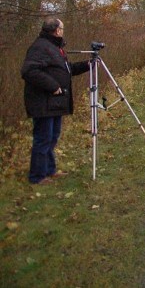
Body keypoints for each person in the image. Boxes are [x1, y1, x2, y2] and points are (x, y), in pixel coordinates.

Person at [21, 18, 91, 185]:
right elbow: (29, 71)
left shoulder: (55, 48)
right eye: (62, 28)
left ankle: (49, 170)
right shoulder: (40, 47)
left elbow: (67, 70)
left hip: (54, 103)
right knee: (43, 138)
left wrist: (88, 65)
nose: (63, 31)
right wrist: (52, 86)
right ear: (56, 30)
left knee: (52, 137)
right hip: (43, 102)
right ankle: (37, 176)